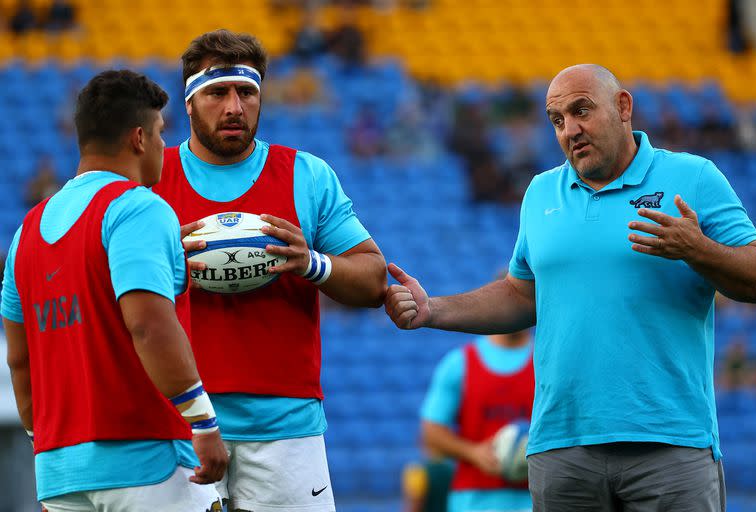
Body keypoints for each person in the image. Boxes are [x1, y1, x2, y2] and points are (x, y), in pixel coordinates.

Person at [385, 64, 756, 511]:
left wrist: (697, 248)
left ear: (624, 107)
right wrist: (433, 309)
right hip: (561, 448)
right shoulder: (540, 193)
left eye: (581, 110)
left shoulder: (693, 177)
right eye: (558, 120)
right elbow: (521, 294)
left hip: (670, 442)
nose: (570, 129)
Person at [152, 29, 387, 512]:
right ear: (190, 101)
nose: (234, 106)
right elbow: (105, 286)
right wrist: (162, 263)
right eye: (218, 92)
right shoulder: (152, 178)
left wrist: (312, 263)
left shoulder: (307, 174)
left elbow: (373, 278)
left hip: (285, 427)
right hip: (177, 424)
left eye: (247, 92)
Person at [1, 70, 228, 512]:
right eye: (162, 133)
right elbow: (148, 325)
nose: (166, 144)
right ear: (139, 138)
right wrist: (203, 423)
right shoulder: (138, 208)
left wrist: (47, 444)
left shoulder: (26, 231)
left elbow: (19, 358)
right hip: (146, 464)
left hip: (59, 475)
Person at [420, 329, 534, 512]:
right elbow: (430, 434)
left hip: (534, 498)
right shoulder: (459, 363)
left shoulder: (547, 365)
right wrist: (473, 452)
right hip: (472, 500)